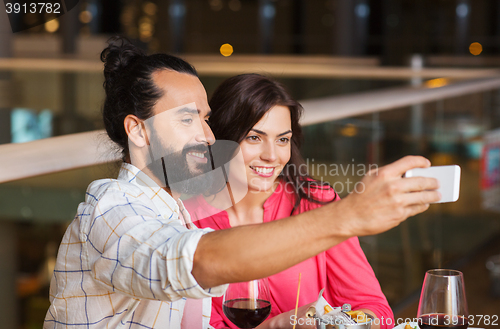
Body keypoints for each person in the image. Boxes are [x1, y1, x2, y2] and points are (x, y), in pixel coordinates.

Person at [44, 37, 440, 329]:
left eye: (205, 118)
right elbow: (199, 261)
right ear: (139, 131)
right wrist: (350, 215)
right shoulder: (113, 209)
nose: (207, 135)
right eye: (187, 119)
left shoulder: (176, 206)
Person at [184, 74, 393, 329]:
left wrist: (341, 324)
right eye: (254, 137)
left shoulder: (316, 201)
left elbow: (376, 310)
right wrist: (279, 325)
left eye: (282, 140)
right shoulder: (186, 218)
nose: (272, 156)